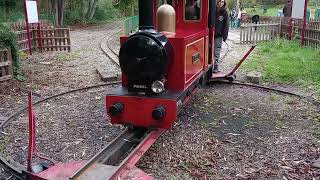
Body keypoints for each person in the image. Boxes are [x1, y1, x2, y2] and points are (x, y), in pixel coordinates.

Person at [213, 0, 229, 73]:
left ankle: (215, 67)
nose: (220, 3)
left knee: (216, 52)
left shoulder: (224, 12)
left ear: (224, 3)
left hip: (218, 35)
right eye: (219, 1)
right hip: (211, 35)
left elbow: (226, 25)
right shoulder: (213, 10)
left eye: (222, 2)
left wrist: (225, 36)